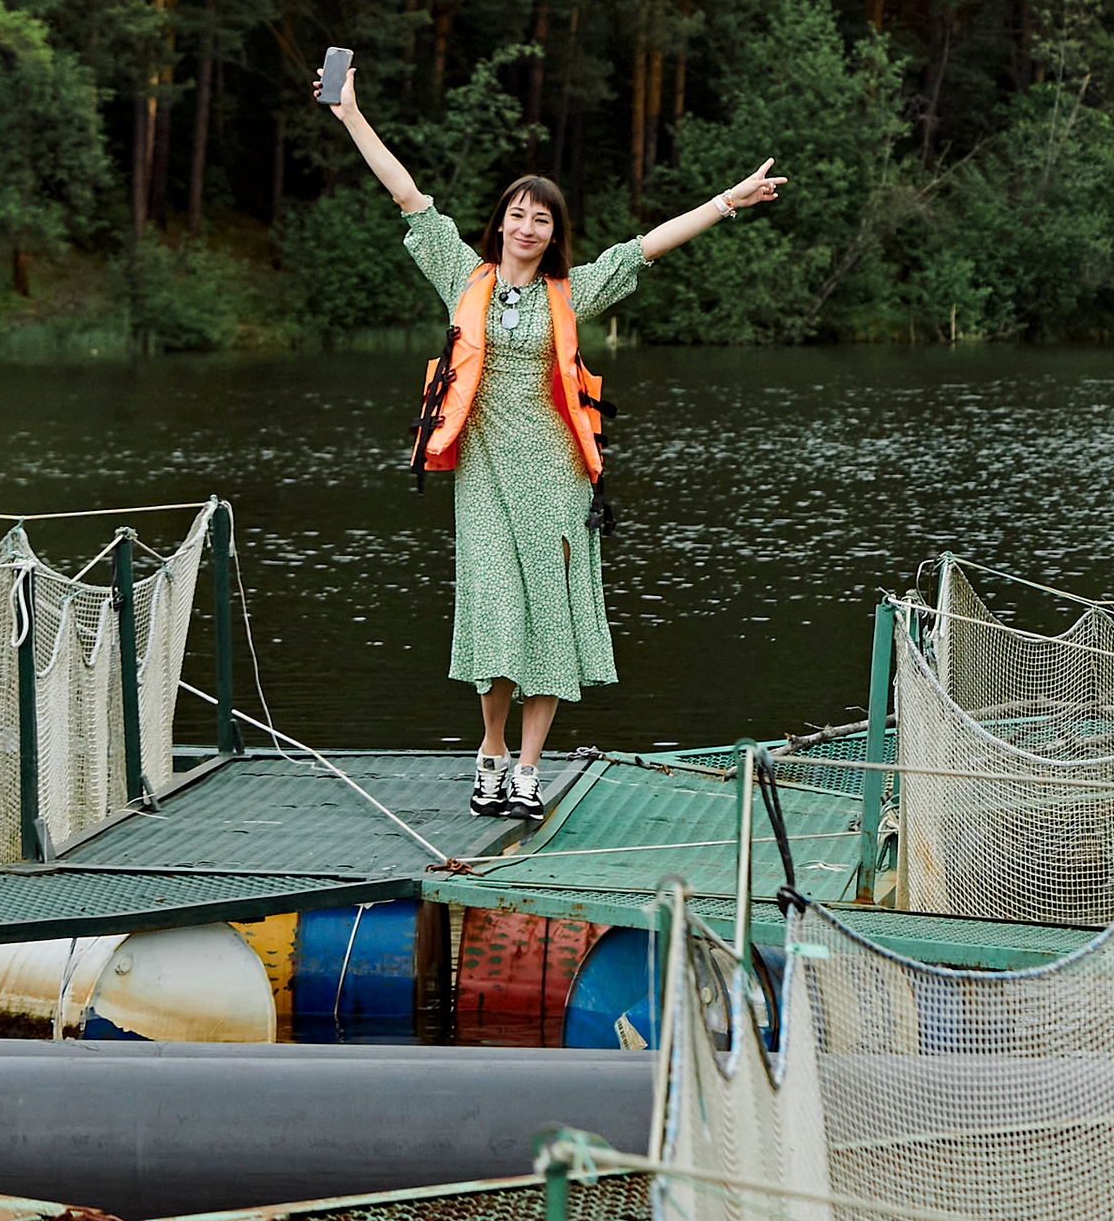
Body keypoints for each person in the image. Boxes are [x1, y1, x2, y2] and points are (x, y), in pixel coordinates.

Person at [320, 65, 781, 816]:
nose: (529, 227)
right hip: (485, 478)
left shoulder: (573, 292)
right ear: (500, 222)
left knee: (550, 625)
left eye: (543, 219)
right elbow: (407, 196)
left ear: (553, 234)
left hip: (558, 479)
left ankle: (529, 771)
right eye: (519, 215)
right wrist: (350, 115)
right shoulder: (459, 274)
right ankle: (491, 752)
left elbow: (646, 248)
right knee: (498, 613)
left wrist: (728, 201)